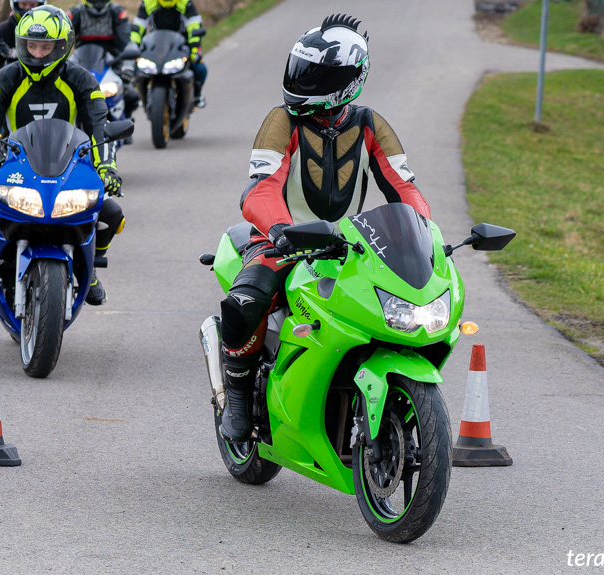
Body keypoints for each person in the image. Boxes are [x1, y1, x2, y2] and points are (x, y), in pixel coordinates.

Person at [217, 14, 432, 443]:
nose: (302, 80)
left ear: (349, 80)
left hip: (349, 241)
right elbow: (259, 191)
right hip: (280, 239)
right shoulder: (282, 121)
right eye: (300, 68)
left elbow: (405, 189)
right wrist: (280, 228)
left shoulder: (371, 125)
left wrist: (426, 233)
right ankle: (238, 394)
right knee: (244, 302)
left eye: (314, 74)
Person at [0, 5, 125, 308]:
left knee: (112, 212)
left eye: (46, 46)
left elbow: (100, 123)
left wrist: (107, 167)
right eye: (31, 46)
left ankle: (90, 265)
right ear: (21, 44)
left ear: (62, 46)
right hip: (14, 166)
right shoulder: (2, 78)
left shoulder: (83, 79)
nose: (37, 53)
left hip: (69, 167)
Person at [67, 0, 141, 120]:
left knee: (131, 96)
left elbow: (127, 43)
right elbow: (62, 43)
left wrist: (128, 68)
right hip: (81, 63)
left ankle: (125, 124)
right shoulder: (74, 14)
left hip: (113, 62)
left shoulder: (117, 13)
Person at [131, 0, 207, 108]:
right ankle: (140, 95)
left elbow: (194, 26)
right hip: (155, 47)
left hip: (181, 47)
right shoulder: (148, 3)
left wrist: (195, 49)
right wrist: (134, 47)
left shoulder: (186, 3)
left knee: (200, 68)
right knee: (135, 68)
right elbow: (138, 28)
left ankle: (197, 93)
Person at [0, 0, 46, 67]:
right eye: (23, 5)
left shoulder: (46, 29)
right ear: (16, 4)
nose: (27, 8)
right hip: (10, 74)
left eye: (32, 5)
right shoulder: (3, 29)